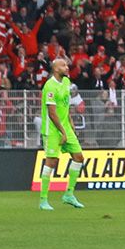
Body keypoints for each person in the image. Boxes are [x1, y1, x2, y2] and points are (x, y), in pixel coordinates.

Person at [37, 58, 85, 210]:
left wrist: (70, 123)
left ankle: (69, 194)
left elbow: (65, 105)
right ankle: (43, 200)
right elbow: (52, 113)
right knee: (51, 161)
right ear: (56, 69)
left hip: (65, 127)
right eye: (63, 65)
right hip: (52, 129)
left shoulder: (66, 83)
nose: (67, 67)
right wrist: (63, 132)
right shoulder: (49, 86)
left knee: (79, 157)